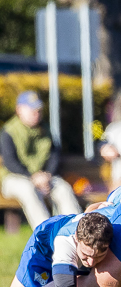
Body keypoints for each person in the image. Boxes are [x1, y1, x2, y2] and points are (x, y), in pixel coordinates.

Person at [0, 91, 81, 227]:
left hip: (44, 177)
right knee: (28, 189)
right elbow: (10, 163)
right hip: (14, 178)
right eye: (32, 109)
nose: (36, 113)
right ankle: (45, 234)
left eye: (38, 109)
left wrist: (47, 174)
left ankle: (76, 231)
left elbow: (54, 155)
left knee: (63, 188)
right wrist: (33, 177)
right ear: (19, 110)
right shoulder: (9, 132)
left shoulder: (45, 129)